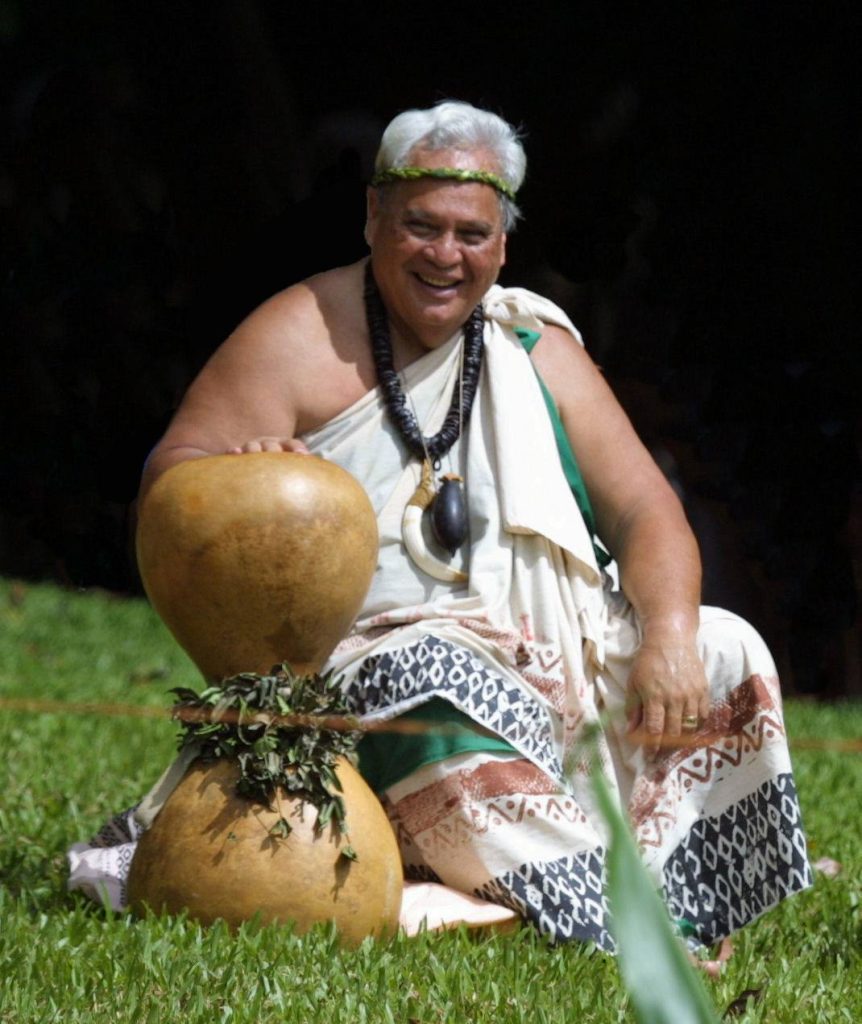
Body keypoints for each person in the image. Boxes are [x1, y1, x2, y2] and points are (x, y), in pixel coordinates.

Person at [69, 100, 812, 952]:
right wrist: (245, 477)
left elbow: (646, 509)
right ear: (374, 218)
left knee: (727, 649)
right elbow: (173, 478)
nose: (445, 255)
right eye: (421, 226)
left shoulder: (533, 346)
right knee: (429, 674)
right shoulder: (301, 331)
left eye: (471, 234)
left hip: (549, 658)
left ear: (503, 245)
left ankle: (603, 890)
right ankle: (615, 919)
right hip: (373, 668)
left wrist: (671, 634)